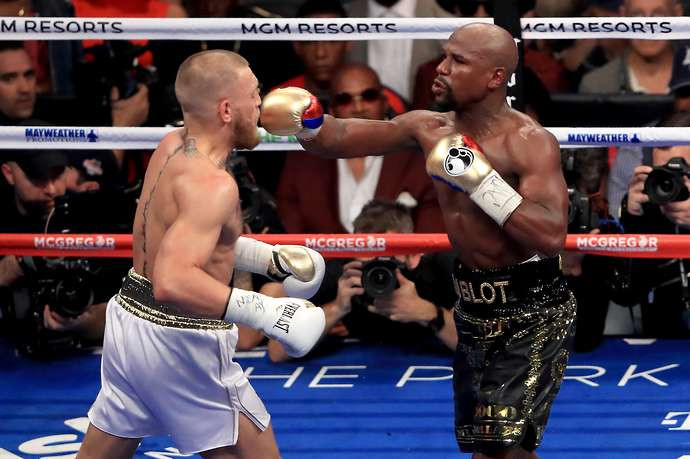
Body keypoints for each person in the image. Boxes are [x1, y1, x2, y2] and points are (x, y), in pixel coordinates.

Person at [261, 22, 574, 459]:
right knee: (491, 447)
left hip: (531, 309)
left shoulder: (529, 142)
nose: (441, 68)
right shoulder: (428, 127)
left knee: (498, 445)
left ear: (496, 77)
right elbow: (341, 137)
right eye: (444, 56)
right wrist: (308, 120)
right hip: (472, 305)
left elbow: (551, 234)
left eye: (458, 61)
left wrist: (481, 181)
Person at [77, 50, 326, 459]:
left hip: (130, 319)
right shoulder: (214, 186)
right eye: (254, 93)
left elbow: (180, 243)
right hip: (181, 340)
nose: (261, 103)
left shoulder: (170, 146)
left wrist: (269, 260)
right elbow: (173, 280)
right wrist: (268, 311)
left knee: (105, 447)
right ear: (226, 110)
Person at [267, 199, 458, 363]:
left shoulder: (440, 269)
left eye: (386, 258)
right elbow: (277, 351)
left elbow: (475, 345)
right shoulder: (345, 275)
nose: (378, 273)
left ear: (412, 252)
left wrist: (429, 313)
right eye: (367, 264)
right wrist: (336, 309)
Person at [277, 62, 444, 234]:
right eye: (345, 99)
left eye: (369, 96)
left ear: (385, 102)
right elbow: (290, 227)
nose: (359, 108)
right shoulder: (303, 160)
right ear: (331, 110)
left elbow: (430, 235)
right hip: (316, 252)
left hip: (402, 252)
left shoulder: (418, 157)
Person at [620, 110, 690, 337]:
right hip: (660, 344)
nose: (676, 180)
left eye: (685, 170)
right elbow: (625, 295)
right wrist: (633, 219)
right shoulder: (649, 203)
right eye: (665, 171)